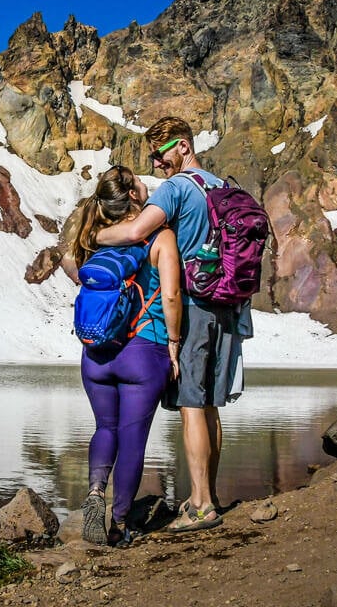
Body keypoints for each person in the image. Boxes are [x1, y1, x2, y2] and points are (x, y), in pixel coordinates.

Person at [96, 116, 252, 533]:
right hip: (228, 307)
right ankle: (208, 494)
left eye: (161, 153)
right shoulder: (220, 185)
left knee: (191, 406)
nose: (157, 163)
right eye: (152, 155)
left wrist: (98, 237)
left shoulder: (178, 188)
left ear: (183, 147)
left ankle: (202, 506)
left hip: (196, 307)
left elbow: (136, 231)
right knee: (210, 406)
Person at [62, 165, 183, 546]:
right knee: (133, 440)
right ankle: (119, 524)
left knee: (105, 428)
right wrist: (175, 346)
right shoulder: (160, 237)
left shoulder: (96, 240)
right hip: (144, 353)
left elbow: (72, 267)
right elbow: (171, 296)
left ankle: (96, 493)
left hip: (96, 353)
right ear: (133, 195)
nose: (147, 184)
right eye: (140, 181)